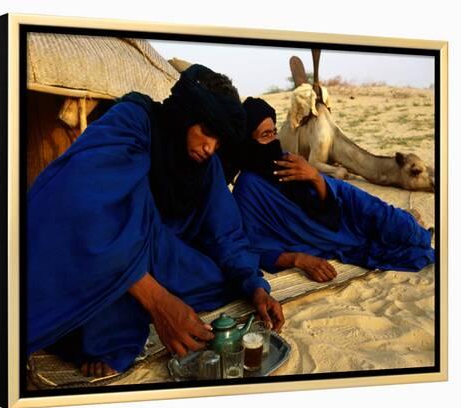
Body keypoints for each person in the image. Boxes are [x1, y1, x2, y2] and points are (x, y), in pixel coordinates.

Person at [26, 66, 284, 379]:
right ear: (186, 115)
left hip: (160, 254)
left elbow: (226, 232)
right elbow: (78, 206)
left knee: (226, 280)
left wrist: (255, 285)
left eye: (219, 142)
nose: (210, 148)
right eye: (207, 133)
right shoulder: (132, 123)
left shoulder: (206, 165)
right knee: (99, 302)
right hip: (103, 248)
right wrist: (158, 301)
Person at [231, 97, 435, 283]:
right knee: (414, 253)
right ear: (249, 141)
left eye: (274, 132)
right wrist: (299, 259)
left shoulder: (287, 160)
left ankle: (416, 229)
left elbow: (331, 201)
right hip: (330, 237)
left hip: (346, 210)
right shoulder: (248, 188)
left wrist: (314, 177)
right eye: (265, 135)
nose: (274, 140)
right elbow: (252, 247)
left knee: (405, 230)